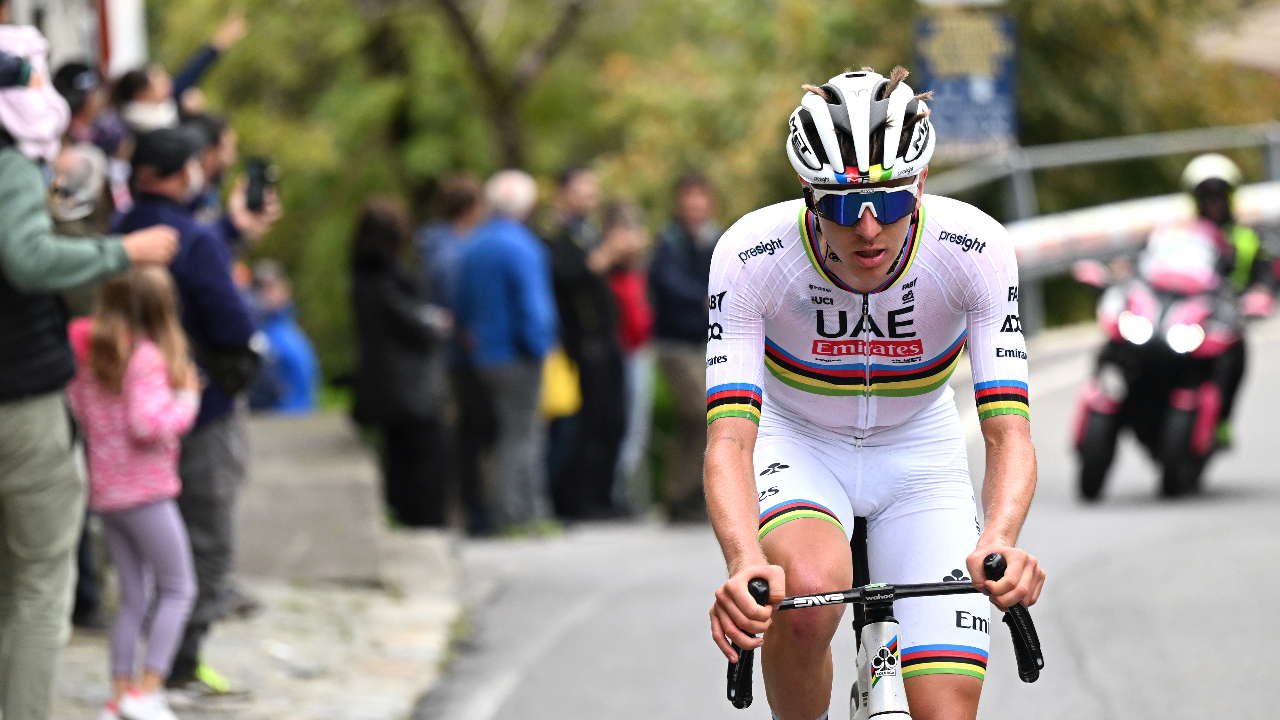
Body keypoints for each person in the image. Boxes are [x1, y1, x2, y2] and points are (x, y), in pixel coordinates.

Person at [705, 67, 1046, 720]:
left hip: (920, 453)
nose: (867, 229)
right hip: (799, 440)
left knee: (946, 712)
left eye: (889, 203)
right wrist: (744, 561)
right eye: (841, 205)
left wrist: (1001, 537)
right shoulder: (751, 254)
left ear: (921, 184)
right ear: (807, 195)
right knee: (806, 597)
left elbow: (1008, 430)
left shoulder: (973, 248)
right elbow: (729, 438)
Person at [0, 21, 179, 720]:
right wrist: (121, 252)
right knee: (39, 584)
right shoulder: (12, 162)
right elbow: (27, 259)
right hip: (21, 399)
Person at [116, 127, 257, 693]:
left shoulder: (118, 232)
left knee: (141, 560)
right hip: (197, 408)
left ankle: (141, 669)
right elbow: (231, 323)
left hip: (124, 414)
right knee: (207, 540)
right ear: (184, 173)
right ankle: (180, 661)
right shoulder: (195, 240)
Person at [66, 267, 200, 720]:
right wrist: (186, 402)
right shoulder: (145, 357)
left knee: (132, 597)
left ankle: (119, 696)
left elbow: (80, 409)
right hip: (147, 493)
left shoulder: (90, 358)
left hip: (107, 494)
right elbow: (146, 425)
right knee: (179, 588)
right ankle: (147, 691)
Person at [454, 170, 559, 531]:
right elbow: (534, 307)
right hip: (517, 355)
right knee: (523, 435)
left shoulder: (474, 244)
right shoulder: (524, 247)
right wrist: (540, 347)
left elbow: (461, 303)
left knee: (503, 434)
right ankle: (518, 513)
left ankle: (512, 510)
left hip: (483, 356)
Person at [350, 199, 452, 526]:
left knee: (398, 458)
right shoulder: (388, 277)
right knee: (425, 461)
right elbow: (415, 324)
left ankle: (405, 519)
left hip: (384, 387)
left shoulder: (361, 275)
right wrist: (436, 323)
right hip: (410, 389)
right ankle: (424, 523)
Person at [540, 167, 627, 519]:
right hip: (581, 342)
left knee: (613, 420)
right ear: (563, 192)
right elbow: (566, 276)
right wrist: (604, 255)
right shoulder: (553, 235)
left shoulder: (589, 231)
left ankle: (604, 496)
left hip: (607, 338)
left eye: (593, 188)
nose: (591, 195)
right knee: (586, 423)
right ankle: (578, 500)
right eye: (582, 188)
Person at [1178, 153, 1277, 447]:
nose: (1214, 203)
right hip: (1180, 311)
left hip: (1223, 316)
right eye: (1207, 197)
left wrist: (1262, 291)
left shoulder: (1247, 238)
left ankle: (1221, 419)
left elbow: (1265, 273)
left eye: (1219, 196)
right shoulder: (1180, 234)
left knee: (1236, 353)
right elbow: (1150, 260)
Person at [415, 173, 492, 532]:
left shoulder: (442, 244)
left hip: (458, 352)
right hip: (456, 354)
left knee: (471, 432)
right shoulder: (447, 249)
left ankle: (472, 504)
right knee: (466, 433)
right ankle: (469, 509)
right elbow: (450, 292)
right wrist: (465, 330)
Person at [649, 173, 723, 521]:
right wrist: (702, 299)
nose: (694, 206)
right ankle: (681, 493)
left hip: (707, 341)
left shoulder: (717, 239)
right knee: (698, 411)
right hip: (675, 342)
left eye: (700, 199)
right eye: (688, 199)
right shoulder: (669, 241)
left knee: (702, 418)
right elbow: (665, 282)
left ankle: (687, 494)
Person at [110, 9, 247, 132]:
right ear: (141, 94)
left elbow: (191, 72)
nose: (167, 83)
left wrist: (221, 41)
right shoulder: (140, 128)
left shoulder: (164, 110)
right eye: (158, 83)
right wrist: (191, 116)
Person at [602, 201, 655, 513]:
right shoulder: (605, 269)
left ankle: (629, 493)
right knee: (623, 425)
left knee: (638, 426)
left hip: (640, 349)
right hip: (619, 353)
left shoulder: (638, 271)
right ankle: (616, 493)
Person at [248, 260, 319, 414]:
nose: (270, 294)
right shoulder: (257, 334)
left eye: (274, 286)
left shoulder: (291, 330)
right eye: (263, 288)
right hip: (272, 420)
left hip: (301, 417)